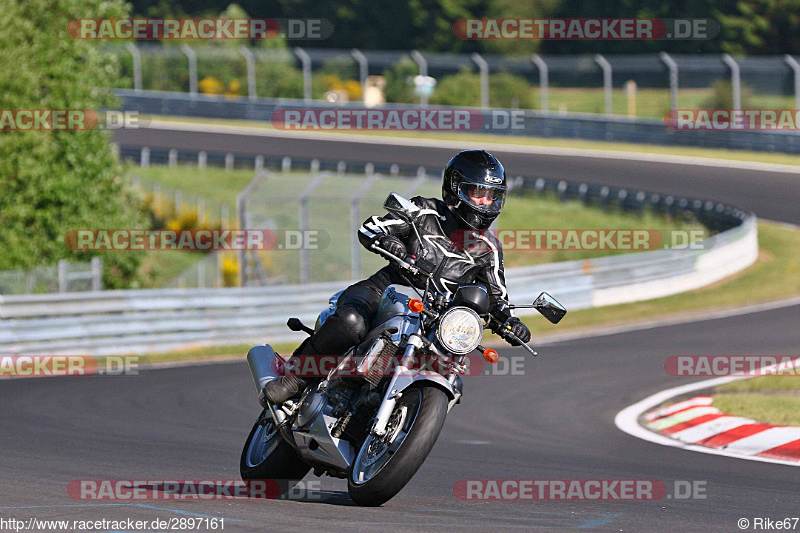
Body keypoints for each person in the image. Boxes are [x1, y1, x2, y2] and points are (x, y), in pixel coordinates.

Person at [263, 150, 531, 404]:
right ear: (455, 189)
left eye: (492, 196)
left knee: (451, 372)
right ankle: (295, 379)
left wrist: (509, 321)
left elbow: (497, 298)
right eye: (478, 193)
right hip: (384, 291)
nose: (486, 203)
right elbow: (373, 226)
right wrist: (386, 240)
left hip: (431, 320)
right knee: (350, 323)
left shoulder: (490, 250)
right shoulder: (423, 212)